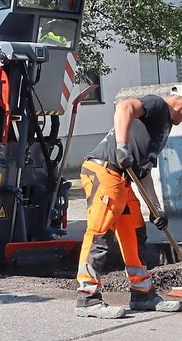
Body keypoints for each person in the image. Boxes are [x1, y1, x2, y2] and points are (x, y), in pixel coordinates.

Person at [75, 92, 182, 319]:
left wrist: (155, 208)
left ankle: (142, 293)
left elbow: (143, 174)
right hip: (105, 170)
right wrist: (122, 147)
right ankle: (87, 297)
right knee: (100, 232)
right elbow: (125, 107)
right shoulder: (157, 105)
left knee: (135, 231)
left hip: (122, 179)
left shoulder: (163, 127)